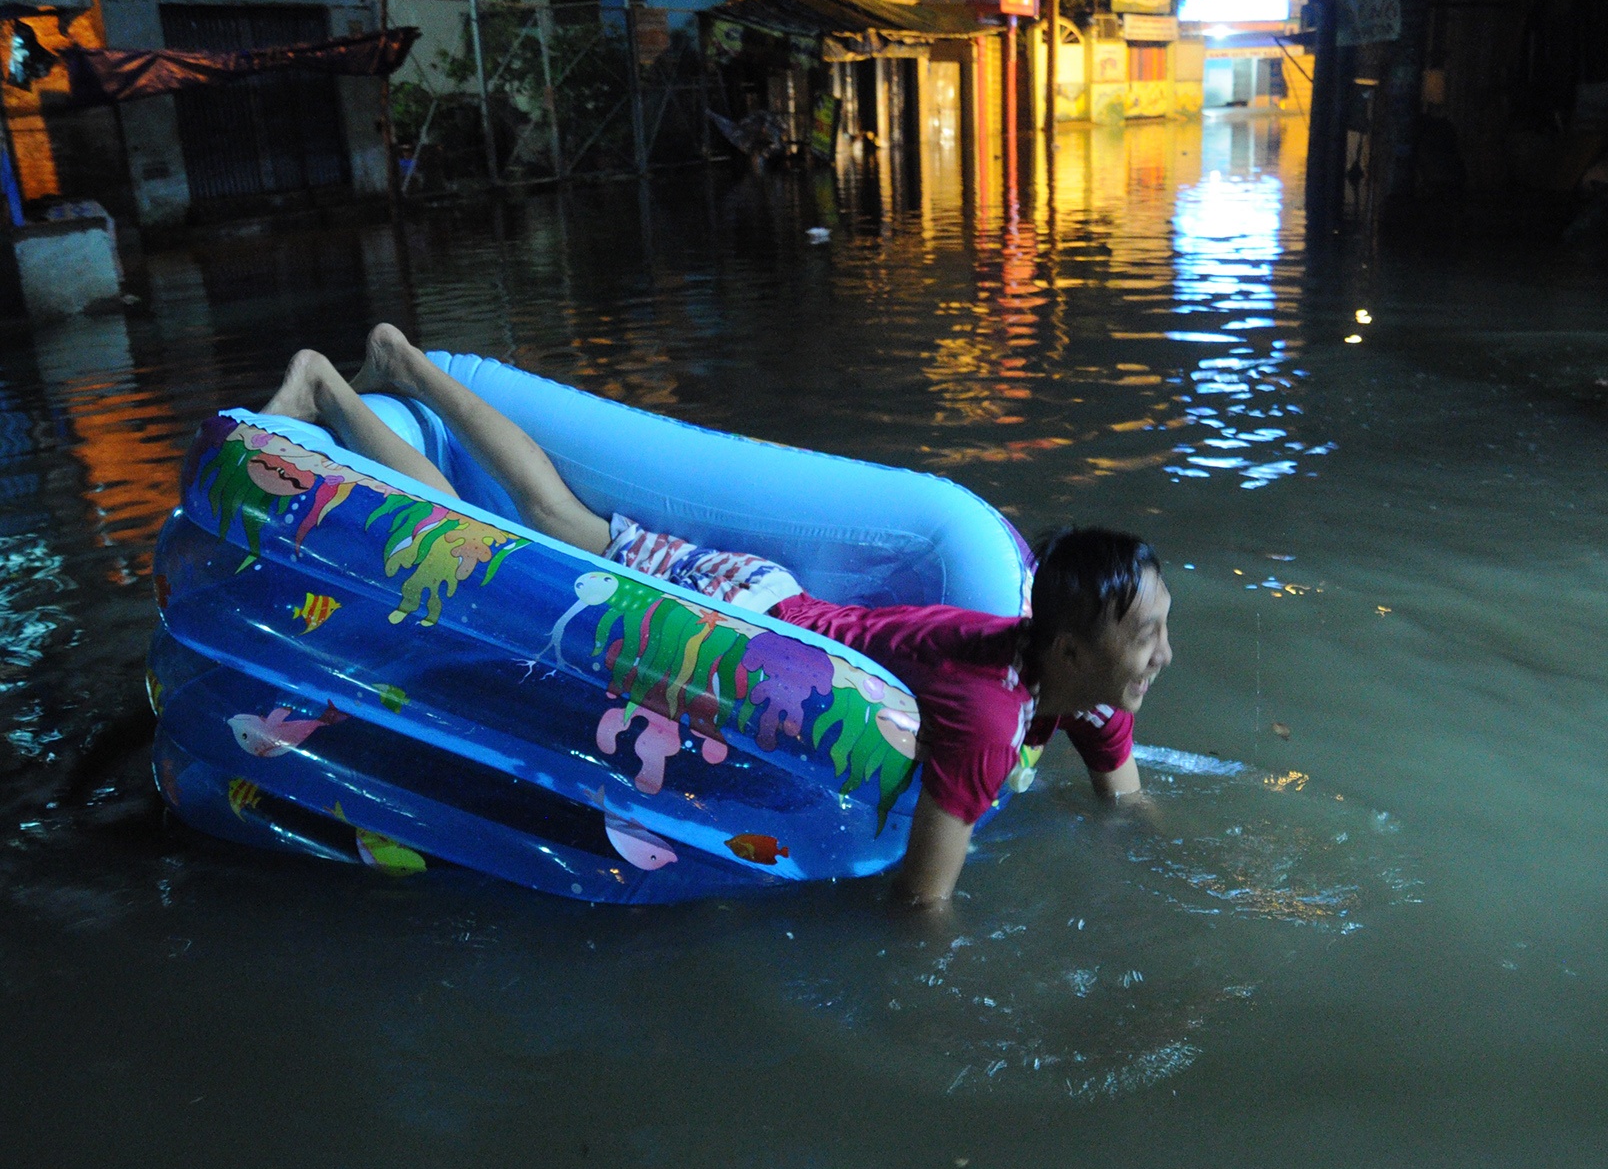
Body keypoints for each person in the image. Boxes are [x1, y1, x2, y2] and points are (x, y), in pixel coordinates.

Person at [263, 325, 1174, 908]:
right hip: (722, 624)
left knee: (549, 521)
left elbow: (1123, 799)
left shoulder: (1063, 669)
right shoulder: (989, 716)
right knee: (500, 540)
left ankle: (399, 368)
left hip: (758, 595)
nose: (1165, 655)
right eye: (1148, 636)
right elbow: (920, 901)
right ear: (1070, 649)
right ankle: (336, 390)